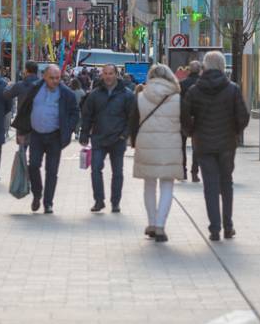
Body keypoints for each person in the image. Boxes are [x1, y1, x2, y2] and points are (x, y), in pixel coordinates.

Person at [181, 51, 248, 241]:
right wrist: (234, 131)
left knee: (210, 186)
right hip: (227, 144)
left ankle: (214, 228)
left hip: (203, 144)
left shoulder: (195, 90)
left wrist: (192, 132)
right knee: (226, 184)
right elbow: (243, 116)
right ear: (222, 66)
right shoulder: (232, 89)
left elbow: (184, 116)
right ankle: (228, 226)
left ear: (205, 66)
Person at [12, 64, 79, 213]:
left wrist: (68, 129)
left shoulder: (66, 93)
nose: (55, 81)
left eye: (58, 78)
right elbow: (25, 110)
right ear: (44, 77)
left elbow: (75, 113)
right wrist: (21, 132)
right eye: (52, 78)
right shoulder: (35, 89)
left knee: (52, 170)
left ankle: (48, 203)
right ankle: (37, 194)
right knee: (33, 165)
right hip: (36, 135)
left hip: (55, 136)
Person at [129, 64, 183, 243]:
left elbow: (133, 122)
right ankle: (160, 225)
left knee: (149, 184)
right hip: (171, 145)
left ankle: (151, 223)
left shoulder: (140, 96)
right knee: (167, 185)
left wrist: (134, 142)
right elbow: (184, 124)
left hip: (146, 144)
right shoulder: (177, 98)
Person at [80, 64, 136, 213]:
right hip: (98, 138)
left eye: (111, 73)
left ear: (116, 74)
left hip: (118, 139)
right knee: (96, 169)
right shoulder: (95, 94)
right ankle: (99, 200)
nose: (108, 76)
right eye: (105, 73)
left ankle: (115, 202)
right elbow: (87, 115)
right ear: (102, 75)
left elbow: (132, 117)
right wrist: (84, 133)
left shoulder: (127, 94)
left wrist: (125, 134)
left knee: (117, 172)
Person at [179, 61, 203, 182]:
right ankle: (194, 173)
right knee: (196, 147)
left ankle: (183, 171)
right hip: (199, 119)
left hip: (183, 118)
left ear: (189, 70)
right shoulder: (202, 84)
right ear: (199, 70)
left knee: (181, 146)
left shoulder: (182, 84)